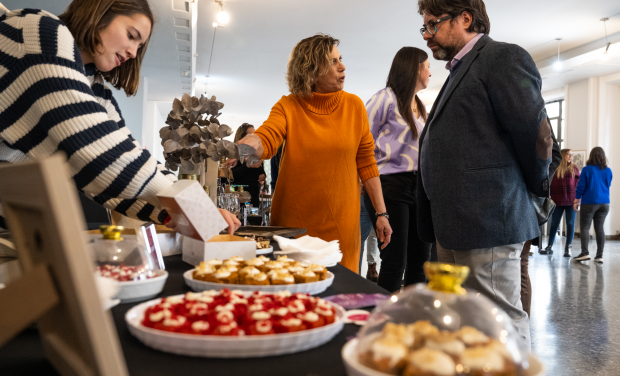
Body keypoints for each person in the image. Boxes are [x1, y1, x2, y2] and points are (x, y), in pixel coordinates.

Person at [0, 0, 239, 233]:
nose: (134, 53)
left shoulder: (94, 86)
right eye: (131, 35)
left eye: (139, 45)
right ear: (100, 11)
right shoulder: (40, 31)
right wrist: (189, 205)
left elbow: (115, 166)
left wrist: (171, 211)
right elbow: (99, 153)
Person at [416, 0, 554, 349]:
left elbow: (536, 135)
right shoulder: (457, 72)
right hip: (457, 223)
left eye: (433, 25)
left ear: (465, 18)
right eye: (424, 27)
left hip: (489, 218)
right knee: (467, 325)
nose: (427, 36)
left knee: (497, 324)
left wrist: (529, 190)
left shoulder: (501, 58)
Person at [231, 34, 393, 273]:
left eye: (341, 59)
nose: (342, 66)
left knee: (340, 295)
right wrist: (246, 146)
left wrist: (382, 213)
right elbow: (268, 136)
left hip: (342, 227)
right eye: (333, 61)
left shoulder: (354, 106)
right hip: (294, 230)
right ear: (311, 70)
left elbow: (367, 162)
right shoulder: (288, 105)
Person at [363, 47, 433, 292]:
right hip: (389, 186)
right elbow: (361, 144)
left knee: (420, 263)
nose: (430, 73)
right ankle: (385, 325)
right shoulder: (384, 98)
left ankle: (411, 323)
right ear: (415, 68)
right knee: (394, 261)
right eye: (427, 66)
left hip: (418, 187)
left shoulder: (420, 106)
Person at [573, 147, 613, 263]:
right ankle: (599, 256)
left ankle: (585, 253)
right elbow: (608, 184)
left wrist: (576, 201)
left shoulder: (587, 169)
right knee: (600, 228)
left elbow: (581, 186)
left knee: (585, 227)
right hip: (605, 203)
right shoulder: (608, 170)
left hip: (589, 202)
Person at [540, 149, 580, 256]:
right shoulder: (555, 168)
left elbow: (579, 185)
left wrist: (578, 200)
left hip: (571, 201)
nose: (571, 156)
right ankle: (549, 246)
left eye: (572, 154)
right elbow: (549, 184)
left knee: (570, 224)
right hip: (557, 201)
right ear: (563, 155)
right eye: (569, 154)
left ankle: (568, 248)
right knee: (554, 224)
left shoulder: (574, 168)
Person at [230, 123, 266, 207]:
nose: (253, 138)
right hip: (238, 198)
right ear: (242, 138)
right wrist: (247, 166)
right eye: (250, 135)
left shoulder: (257, 154)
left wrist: (263, 176)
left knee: (255, 219)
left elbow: (261, 172)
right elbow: (230, 175)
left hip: (254, 198)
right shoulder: (234, 153)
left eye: (255, 135)